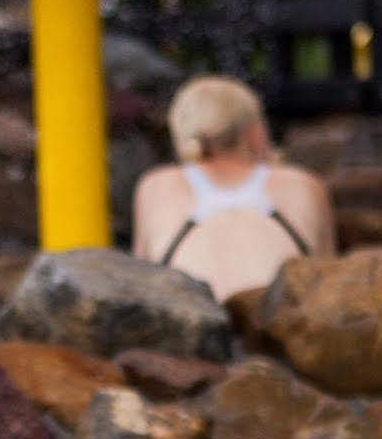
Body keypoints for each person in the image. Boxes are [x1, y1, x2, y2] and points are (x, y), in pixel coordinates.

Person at [131, 75, 336, 302]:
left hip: (199, 328)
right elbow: (328, 287)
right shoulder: (303, 183)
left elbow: (143, 286)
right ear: (256, 131)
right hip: (275, 329)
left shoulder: (156, 186)